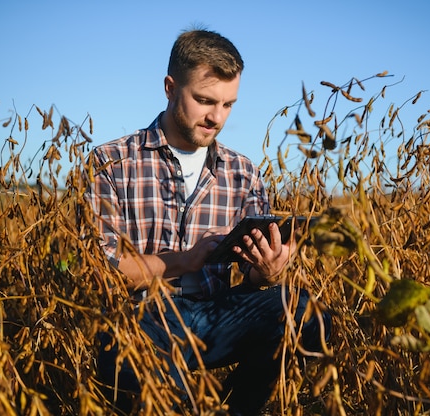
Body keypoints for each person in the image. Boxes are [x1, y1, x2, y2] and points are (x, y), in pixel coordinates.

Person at [85, 28, 331, 415]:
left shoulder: (242, 172)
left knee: (304, 313)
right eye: (204, 101)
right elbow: (100, 274)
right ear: (169, 87)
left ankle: (238, 408)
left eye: (228, 104)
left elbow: (253, 282)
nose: (217, 116)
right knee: (170, 393)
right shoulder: (112, 162)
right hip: (140, 318)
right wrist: (185, 259)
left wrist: (266, 273)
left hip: (217, 315)